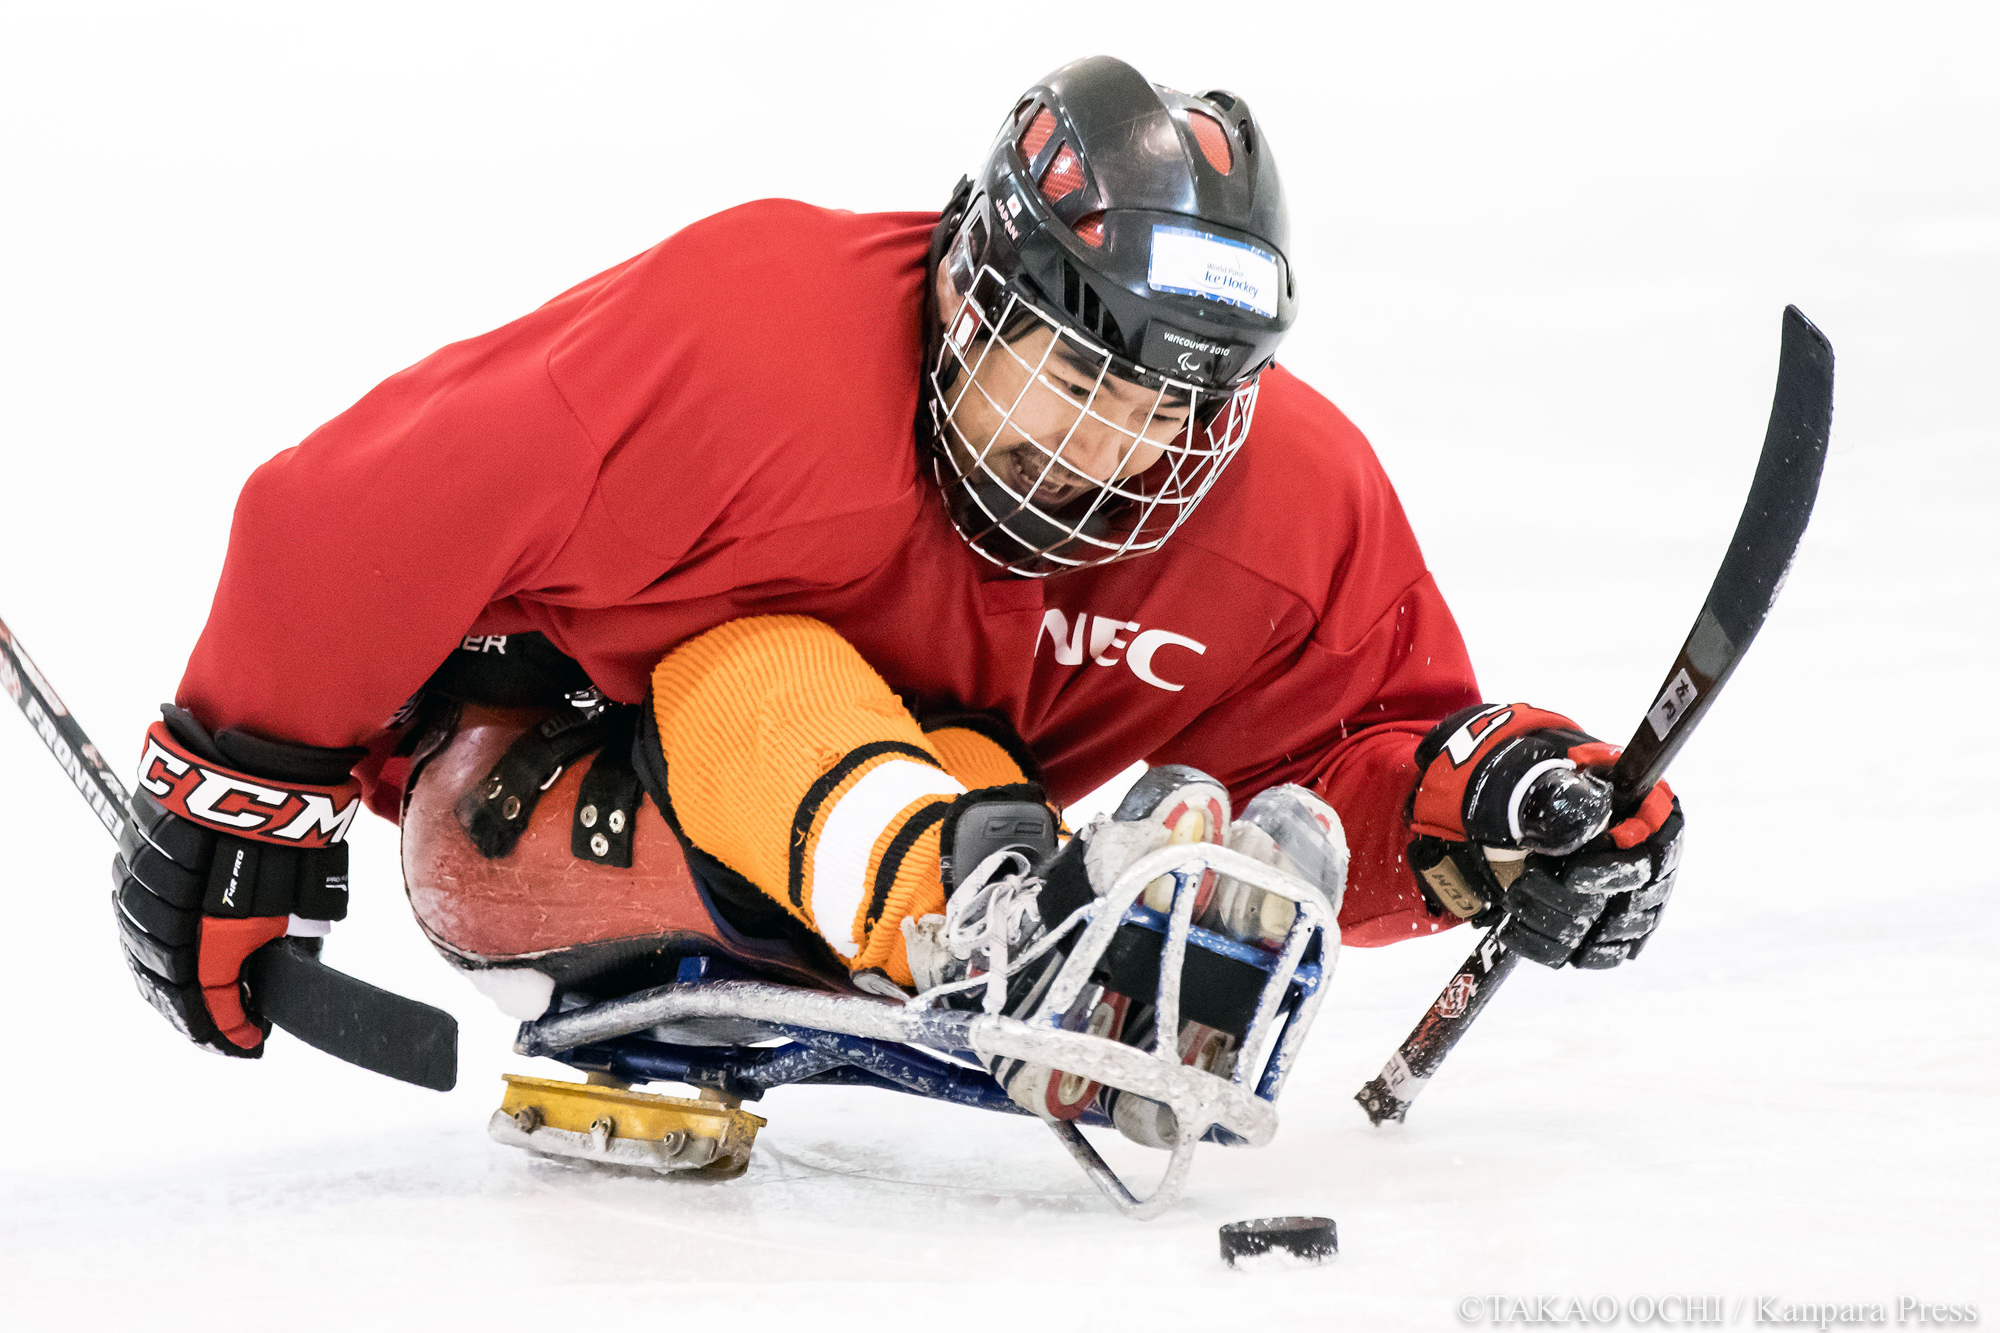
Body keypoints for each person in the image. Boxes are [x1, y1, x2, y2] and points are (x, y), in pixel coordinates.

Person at [110, 57, 1681, 1105]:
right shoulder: (740, 344)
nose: (1109, 447)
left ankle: (1028, 913)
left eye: (1173, 408)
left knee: (978, 771)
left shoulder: (1291, 503)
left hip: (923, 832)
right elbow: (341, 513)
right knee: (769, 668)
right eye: (1068, 374)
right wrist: (238, 794)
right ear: (962, 286)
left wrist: (1483, 815)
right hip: (537, 804)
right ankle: (1007, 926)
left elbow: (1361, 742)